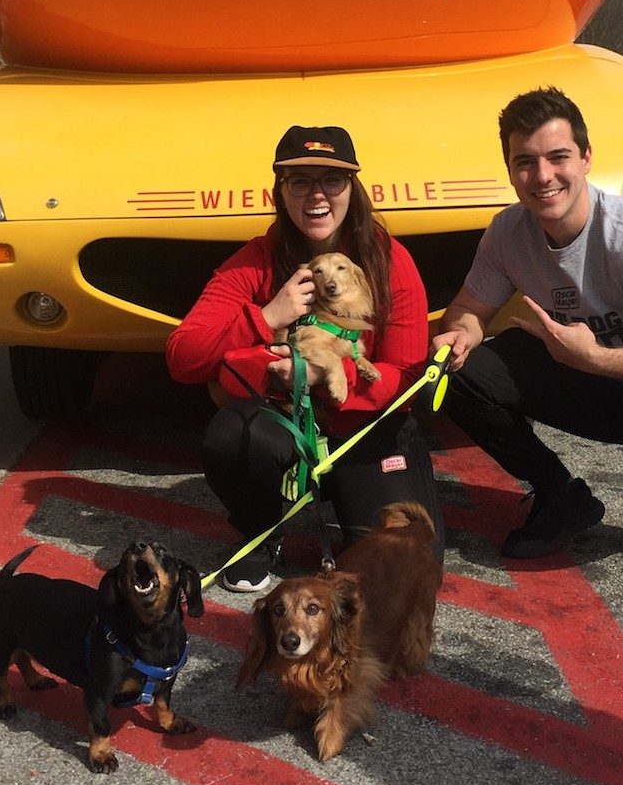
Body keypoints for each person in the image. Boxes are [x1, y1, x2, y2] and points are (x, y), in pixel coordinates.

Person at [431, 87, 623, 570]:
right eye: (525, 162)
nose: (543, 177)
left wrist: (594, 357)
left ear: (586, 158)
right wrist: (463, 332)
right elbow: (469, 308)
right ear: (511, 169)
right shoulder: (507, 231)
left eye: (559, 158)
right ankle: (561, 496)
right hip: (581, 371)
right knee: (458, 373)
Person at [166, 124, 444, 591]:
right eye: (300, 181)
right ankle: (260, 530)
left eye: (331, 180)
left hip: (364, 429)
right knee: (236, 433)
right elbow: (183, 357)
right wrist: (267, 315)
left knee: (406, 569)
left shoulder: (389, 260)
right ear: (282, 191)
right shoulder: (256, 260)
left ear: (352, 189)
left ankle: (348, 498)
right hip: (290, 431)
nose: (317, 195)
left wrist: (324, 376)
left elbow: (405, 378)